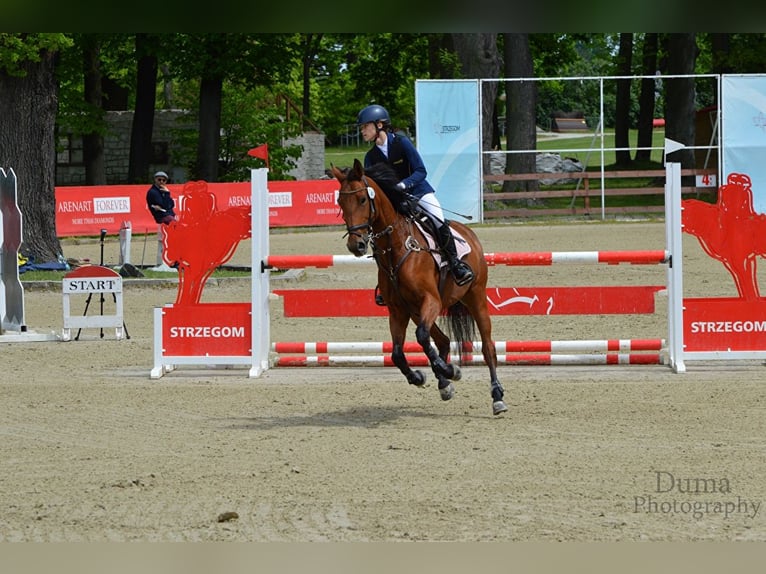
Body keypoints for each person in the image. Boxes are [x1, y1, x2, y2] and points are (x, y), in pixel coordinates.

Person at [356, 104, 474, 305]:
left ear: (380, 125)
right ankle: (385, 282)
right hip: (396, 202)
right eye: (362, 128)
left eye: (365, 126)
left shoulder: (402, 143)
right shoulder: (370, 157)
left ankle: (455, 264)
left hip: (419, 192)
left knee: (438, 221)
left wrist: (404, 184)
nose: (362, 131)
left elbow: (421, 171)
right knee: (381, 236)